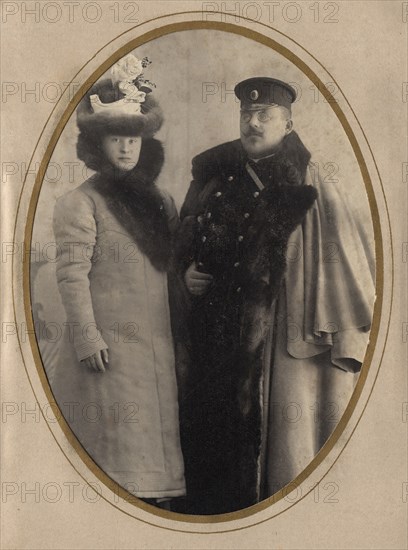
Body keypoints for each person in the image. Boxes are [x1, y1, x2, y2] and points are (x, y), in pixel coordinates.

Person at [175, 77, 375, 515]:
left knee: (273, 442)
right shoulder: (214, 175)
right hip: (213, 331)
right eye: (247, 115)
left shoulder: (309, 180)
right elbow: (186, 239)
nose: (253, 123)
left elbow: (341, 263)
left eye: (265, 115)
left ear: (287, 123)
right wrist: (185, 272)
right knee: (211, 444)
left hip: (273, 329)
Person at [50, 54, 185, 507]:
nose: (126, 150)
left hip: (156, 344)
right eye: (115, 139)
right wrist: (87, 338)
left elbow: (174, 264)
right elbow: (71, 275)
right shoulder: (80, 204)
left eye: (133, 139)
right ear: (96, 145)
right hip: (108, 348)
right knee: (119, 452)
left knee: (157, 436)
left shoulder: (161, 200)